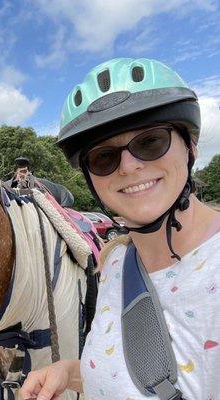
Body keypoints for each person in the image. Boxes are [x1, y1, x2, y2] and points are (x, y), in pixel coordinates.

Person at [20, 58, 220, 399]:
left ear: (190, 146)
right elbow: (120, 371)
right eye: (104, 158)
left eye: (150, 141)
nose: (128, 166)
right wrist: (68, 372)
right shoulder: (115, 262)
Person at [4, 156, 75, 207]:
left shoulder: (37, 183)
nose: (23, 175)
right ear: (15, 172)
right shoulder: (7, 185)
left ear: (29, 172)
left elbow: (62, 191)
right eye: (20, 171)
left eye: (25, 171)